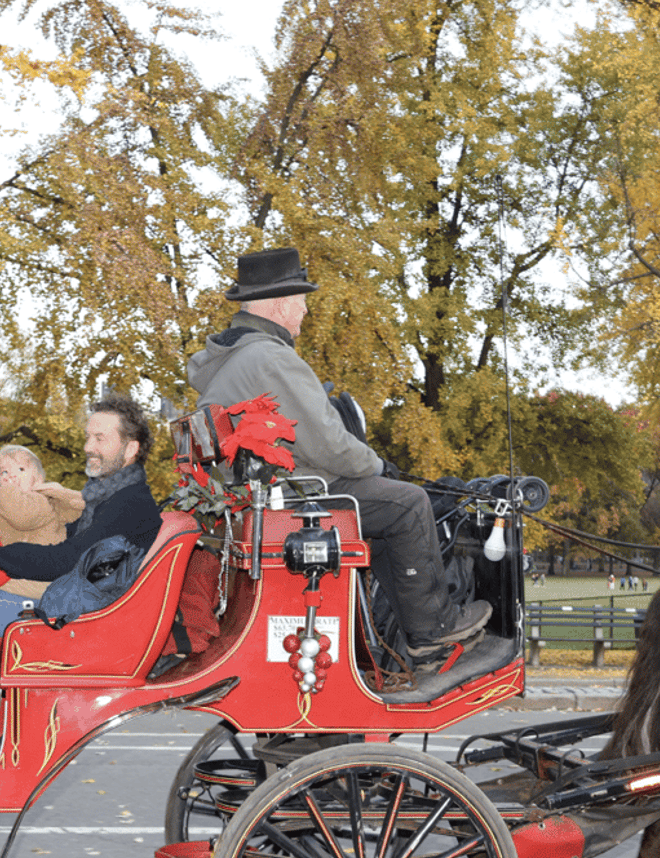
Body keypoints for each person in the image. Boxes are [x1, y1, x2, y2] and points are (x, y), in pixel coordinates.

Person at [186, 247, 490, 678]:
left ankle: (410, 634)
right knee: (409, 503)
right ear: (280, 305)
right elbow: (328, 442)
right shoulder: (271, 358)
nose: (307, 310)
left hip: (259, 500)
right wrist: (380, 466)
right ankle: (432, 632)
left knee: (385, 511)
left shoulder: (230, 360)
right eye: (302, 300)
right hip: (292, 501)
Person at [0, 395, 163, 772]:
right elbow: (65, 544)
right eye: (88, 437)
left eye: (100, 439)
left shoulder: (127, 502)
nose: (88, 447)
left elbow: (63, 560)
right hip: (77, 601)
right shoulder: (113, 496)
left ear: (131, 448)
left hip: (78, 617)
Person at [0, 443, 84, 598]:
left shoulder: (39, 500)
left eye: (21, 469)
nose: (11, 476)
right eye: (4, 472)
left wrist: (6, 491)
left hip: (40, 581)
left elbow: (22, 517)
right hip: (20, 572)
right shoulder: (7, 507)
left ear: (38, 479)